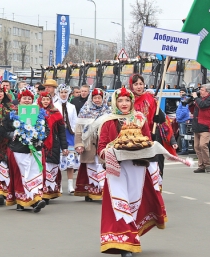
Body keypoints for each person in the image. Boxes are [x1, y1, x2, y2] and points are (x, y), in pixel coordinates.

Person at [97, 87, 167, 257]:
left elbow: (147, 141)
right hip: (116, 168)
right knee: (121, 203)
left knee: (134, 201)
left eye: (127, 100)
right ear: (115, 103)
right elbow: (101, 146)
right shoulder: (107, 121)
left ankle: (132, 235)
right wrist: (108, 152)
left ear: (131, 102)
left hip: (137, 166)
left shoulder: (140, 119)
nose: (124, 104)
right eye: (120, 101)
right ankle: (125, 243)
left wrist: (150, 143)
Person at [2, 86, 48, 212]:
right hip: (18, 150)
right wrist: (13, 134)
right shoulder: (12, 114)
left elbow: (46, 129)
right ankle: (21, 201)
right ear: (20, 99)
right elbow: (4, 130)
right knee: (21, 175)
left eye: (29, 98)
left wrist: (40, 137)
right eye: (24, 98)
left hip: (35, 149)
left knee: (36, 174)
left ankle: (37, 198)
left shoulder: (39, 113)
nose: (27, 100)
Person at [130, 74, 178, 179]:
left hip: (154, 138)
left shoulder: (150, 99)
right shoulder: (128, 101)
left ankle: (157, 192)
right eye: (136, 84)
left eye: (141, 84)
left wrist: (172, 140)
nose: (139, 87)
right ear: (131, 85)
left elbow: (164, 121)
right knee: (140, 170)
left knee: (156, 168)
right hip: (136, 140)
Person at [74, 88, 110, 201]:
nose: (97, 100)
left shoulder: (108, 112)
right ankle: (90, 192)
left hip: (102, 144)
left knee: (102, 168)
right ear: (91, 98)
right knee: (90, 167)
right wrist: (79, 144)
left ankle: (103, 191)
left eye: (99, 98)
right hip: (88, 144)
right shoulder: (85, 111)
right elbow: (79, 129)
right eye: (95, 98)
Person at [37, 91, 68, 204]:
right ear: (40, 100)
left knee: (50, 167)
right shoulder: (35, 112)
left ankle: (49, 192)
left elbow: (61, 132)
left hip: (53, 144)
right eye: (43, 99)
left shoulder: (56, 113)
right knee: (40, 168)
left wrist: (64, 147)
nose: (45, 102)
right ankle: (40, 192)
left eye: (47, 99)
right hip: (39, 144)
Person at [54, 84, 79, 193]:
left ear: (69, 94)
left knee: (70, 161)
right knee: (58, 161)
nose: (63, 95)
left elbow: (75, 121)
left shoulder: (71, 107)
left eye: (65, 93)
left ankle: (70, 185)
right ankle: (58, 184)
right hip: (57, 134)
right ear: (58, 93)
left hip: (69, 134)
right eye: (62, 92)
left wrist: (74, 132)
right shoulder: (54, 106)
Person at [189, 84, 210, 173]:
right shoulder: (199, 100)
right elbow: (194, 110)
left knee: (203, 145)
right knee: (196, 146)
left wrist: (196, 98)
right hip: (197, 126)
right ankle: (201, 166)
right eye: (200, 90)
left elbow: (202, 105)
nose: (200, 91)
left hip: (206, 126)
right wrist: (190, 103)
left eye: (202, 90)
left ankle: (207, 165)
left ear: (207, 91)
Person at [176, 88, 191, 155]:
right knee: (183, 135)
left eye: (182, 92)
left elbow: (184, 111)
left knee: (183, 135)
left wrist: (179, 117)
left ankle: (184, 150)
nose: (181, 93)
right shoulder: (182, 99)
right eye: (180, 92)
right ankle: (184, 149)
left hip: (183, 120)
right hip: (181, 120)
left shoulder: (185, 100)